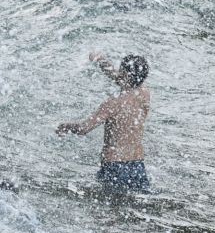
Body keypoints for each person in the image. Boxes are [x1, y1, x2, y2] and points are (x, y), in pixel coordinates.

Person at [57, 53, 150, 192]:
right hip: (137, 165)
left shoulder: (114, 103)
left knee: (112, 208)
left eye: (121, 70)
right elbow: (119, 78)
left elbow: (84, 128)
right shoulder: (144, 94)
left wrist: (66, 126)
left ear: (124, 74)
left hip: (115, 166)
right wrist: (101, 60)